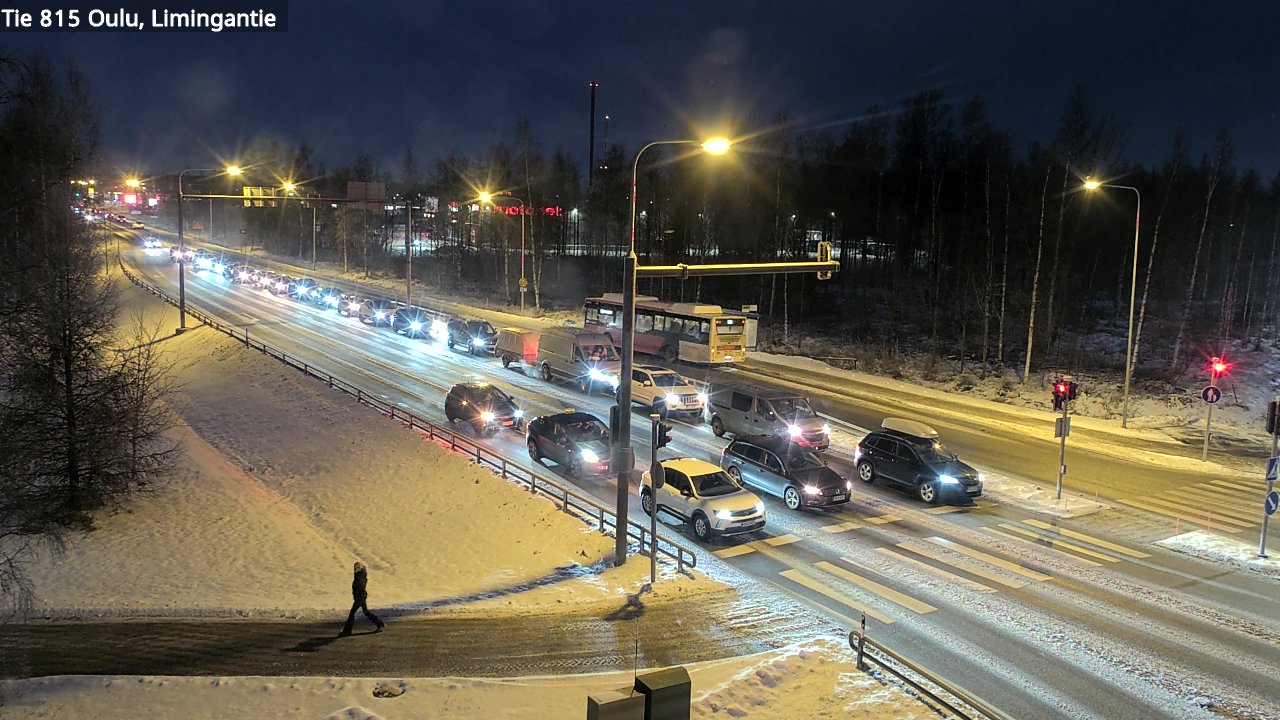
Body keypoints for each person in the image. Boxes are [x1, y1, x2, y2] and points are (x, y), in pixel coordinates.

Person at [340, 560, 385, 636]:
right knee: (365, 611)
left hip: (359, 597)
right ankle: (379, 624)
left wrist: (359, 594)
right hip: (360, 596)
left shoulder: (359, 577)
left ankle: (347, 631)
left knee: (353, 613)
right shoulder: (361, 576)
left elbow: (360, 586)